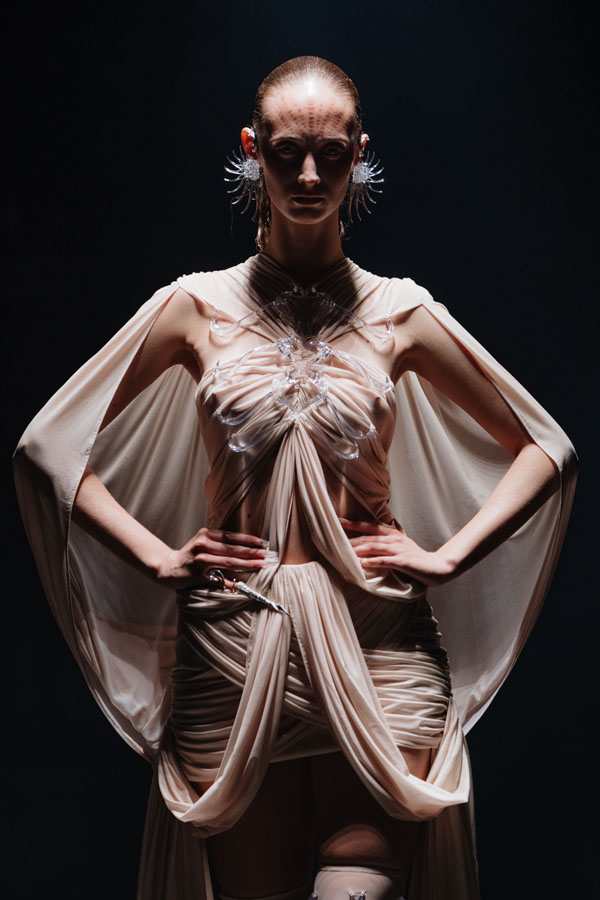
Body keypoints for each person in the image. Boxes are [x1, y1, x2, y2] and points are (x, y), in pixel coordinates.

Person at [13, 56, 577, 900]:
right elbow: (48, 448)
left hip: (379, 644)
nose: (309, 175)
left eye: (331, 154)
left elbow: (547, 447)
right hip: (236, 646)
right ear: (252, 149)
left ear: (359, 153)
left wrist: (448, 555)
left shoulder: (399, 313)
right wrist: (158, 558)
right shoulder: (194, 307)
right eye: (286, 153)